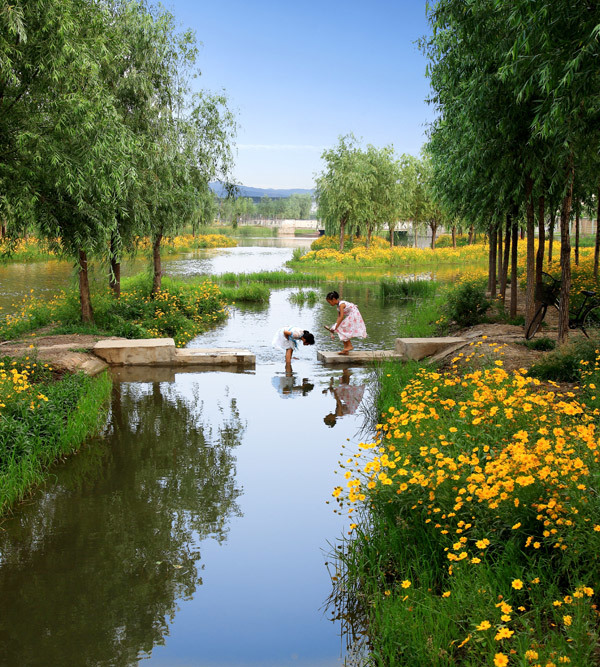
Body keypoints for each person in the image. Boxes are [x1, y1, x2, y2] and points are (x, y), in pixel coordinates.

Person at [325, 291, 367, 355]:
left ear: (333, 299)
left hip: (354, 315)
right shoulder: (338, 307)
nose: (329, 303)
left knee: (341, 327)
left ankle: (349, 346)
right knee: (340, 328)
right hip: (351, 315)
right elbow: (339, 317)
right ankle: (346, 349)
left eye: (329, 302)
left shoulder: (341, 305)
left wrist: (336, 327)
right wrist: (335, 326)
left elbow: (341, 317)